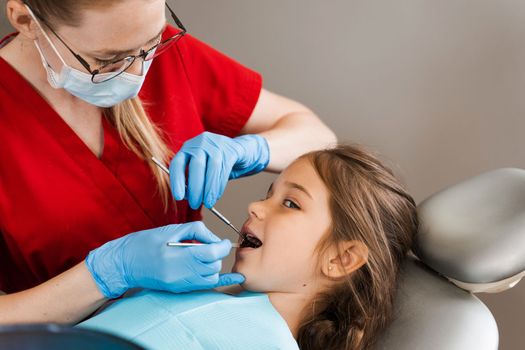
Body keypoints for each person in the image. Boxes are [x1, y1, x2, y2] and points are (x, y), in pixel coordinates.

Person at [0, 0, 336, 322]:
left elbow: (318, 137)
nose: (137, 75)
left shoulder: (164, 55)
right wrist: (105, 274)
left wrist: (250, 149)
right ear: (26, 21)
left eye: (150, 45)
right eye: (109, 60)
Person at [80, 145, 419, 350]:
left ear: (341, 258)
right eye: (268, 194)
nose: (255, 207)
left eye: (290, 203)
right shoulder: (187, 292)